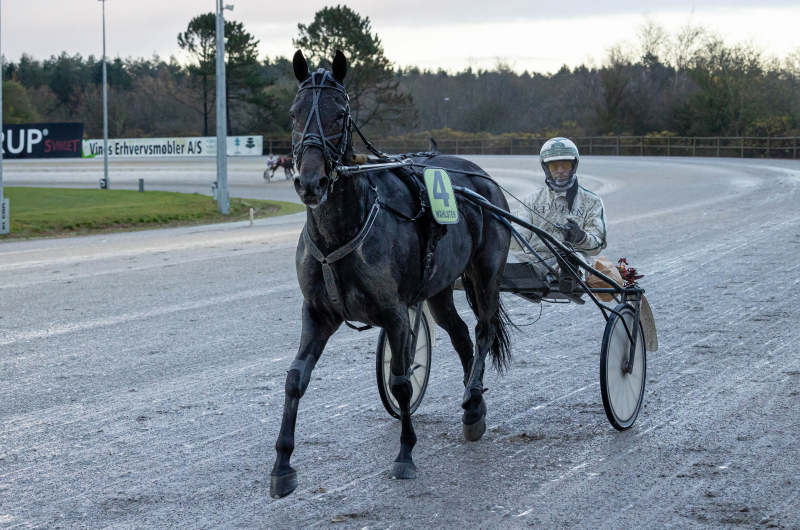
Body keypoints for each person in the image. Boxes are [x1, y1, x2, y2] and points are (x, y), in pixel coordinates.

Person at [510, 137, 607, 278]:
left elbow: (598, 244)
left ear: (573, 166)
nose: (560, 171)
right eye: (554, 166)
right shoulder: (531, 200)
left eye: (565, 165)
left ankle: (566, 274)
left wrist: (580, 237)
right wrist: (502, 230)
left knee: (571, 258)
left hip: (574, 259)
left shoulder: (591, 201)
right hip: (535, 260)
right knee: (501, 262)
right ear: (546, 168)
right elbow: (518, 243)